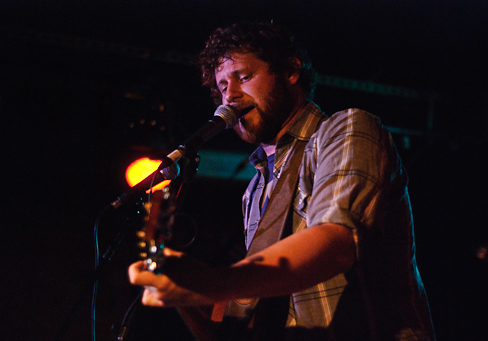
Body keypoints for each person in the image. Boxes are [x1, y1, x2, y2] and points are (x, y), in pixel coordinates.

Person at [129, 21, 435, 340]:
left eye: (243, 77)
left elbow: (335, 242)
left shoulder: (347, 131)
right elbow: (253, 307)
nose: (229, 96)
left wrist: (213, 282)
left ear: (290, 71)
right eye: (221, 87)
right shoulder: (254, 189)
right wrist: (183, 292)